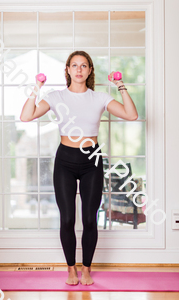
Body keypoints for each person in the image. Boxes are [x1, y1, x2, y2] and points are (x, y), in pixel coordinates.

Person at [20, 50, 138, 286]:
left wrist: (121, 86)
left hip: (91, 160)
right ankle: (70, 270)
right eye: (74, 65)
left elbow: (131, 115)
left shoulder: (99, 97)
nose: (79, 69)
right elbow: (26, 116)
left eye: (84, 66)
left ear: (90, 70)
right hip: (65, 159)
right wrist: (37, 87)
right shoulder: (56, 97)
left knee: (89, 219)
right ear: (68, 70)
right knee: (66, 219)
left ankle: (86, 270)